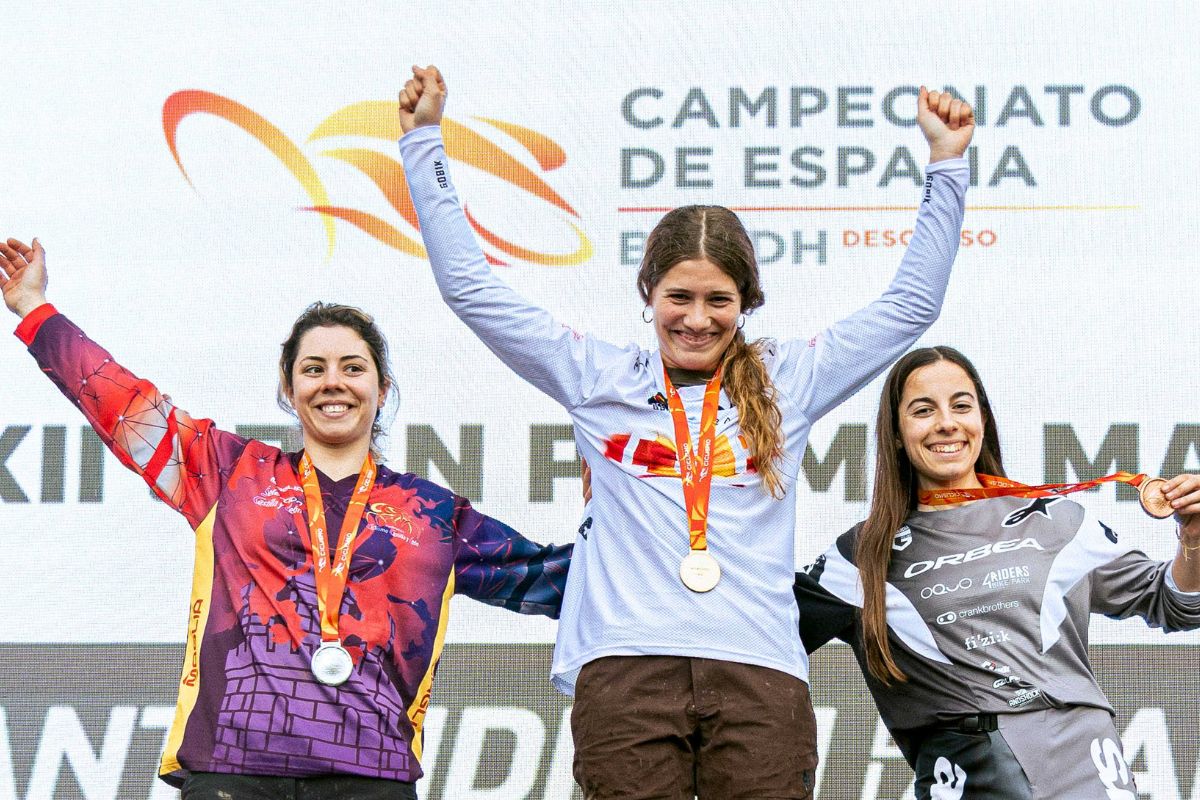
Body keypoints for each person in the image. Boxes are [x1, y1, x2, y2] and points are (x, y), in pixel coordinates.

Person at [396, 65, 975, 799]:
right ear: (649, 294)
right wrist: (422, 142)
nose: (697, 318)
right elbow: (471, 289)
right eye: (679, 296)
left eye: (718, 300)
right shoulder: (594, 377)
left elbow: (912, 304)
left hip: (759, 671)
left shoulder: (787, 379)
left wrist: (947, 160)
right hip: (626, 668)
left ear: (746, 302)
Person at [0, 238, 571, 799]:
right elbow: (120, 401)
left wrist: (638, 521)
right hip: (231, 768)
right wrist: (34, 308)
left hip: (370, 774)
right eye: (313, 368)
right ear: (289, 386)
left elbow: (550, 578)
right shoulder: (228, 473)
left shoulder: (433, 515)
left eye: (353, 367)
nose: (333, 383)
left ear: (382, 387)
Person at [794, 346, 1200, 799]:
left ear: (982, 421)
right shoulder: (860, 555)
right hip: (969, 771)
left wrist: (1194, 539)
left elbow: (1177, 604)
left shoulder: (1059, 521)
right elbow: (760, 631)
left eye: (961, 406)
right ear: (895, 433)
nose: (946, 423)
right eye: (923, 410)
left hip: (1089, 764)